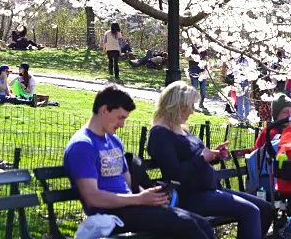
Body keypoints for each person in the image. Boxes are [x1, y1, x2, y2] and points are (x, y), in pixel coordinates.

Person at [63, 85, 214, 238]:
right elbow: (92, 198)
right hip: (111, 214)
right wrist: (139, 199)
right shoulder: (83, 145)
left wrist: (150, 196)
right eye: (120, 117)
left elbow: (128, 183)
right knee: (188, 226)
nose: (122, 124)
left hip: (132, 207)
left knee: (202, 224)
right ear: (104, 110)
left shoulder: (113, 140)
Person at [147, 81, 272, 239]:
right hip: (192, 195)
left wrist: (215, 155)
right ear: (178, 105)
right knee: (251, 211)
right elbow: (175, 173)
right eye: (190, 106)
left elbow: (197, 157)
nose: (192, 111)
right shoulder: (160, 134)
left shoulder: (181, 129)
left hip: (211, 189)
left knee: (265, 208)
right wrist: (202, 158)